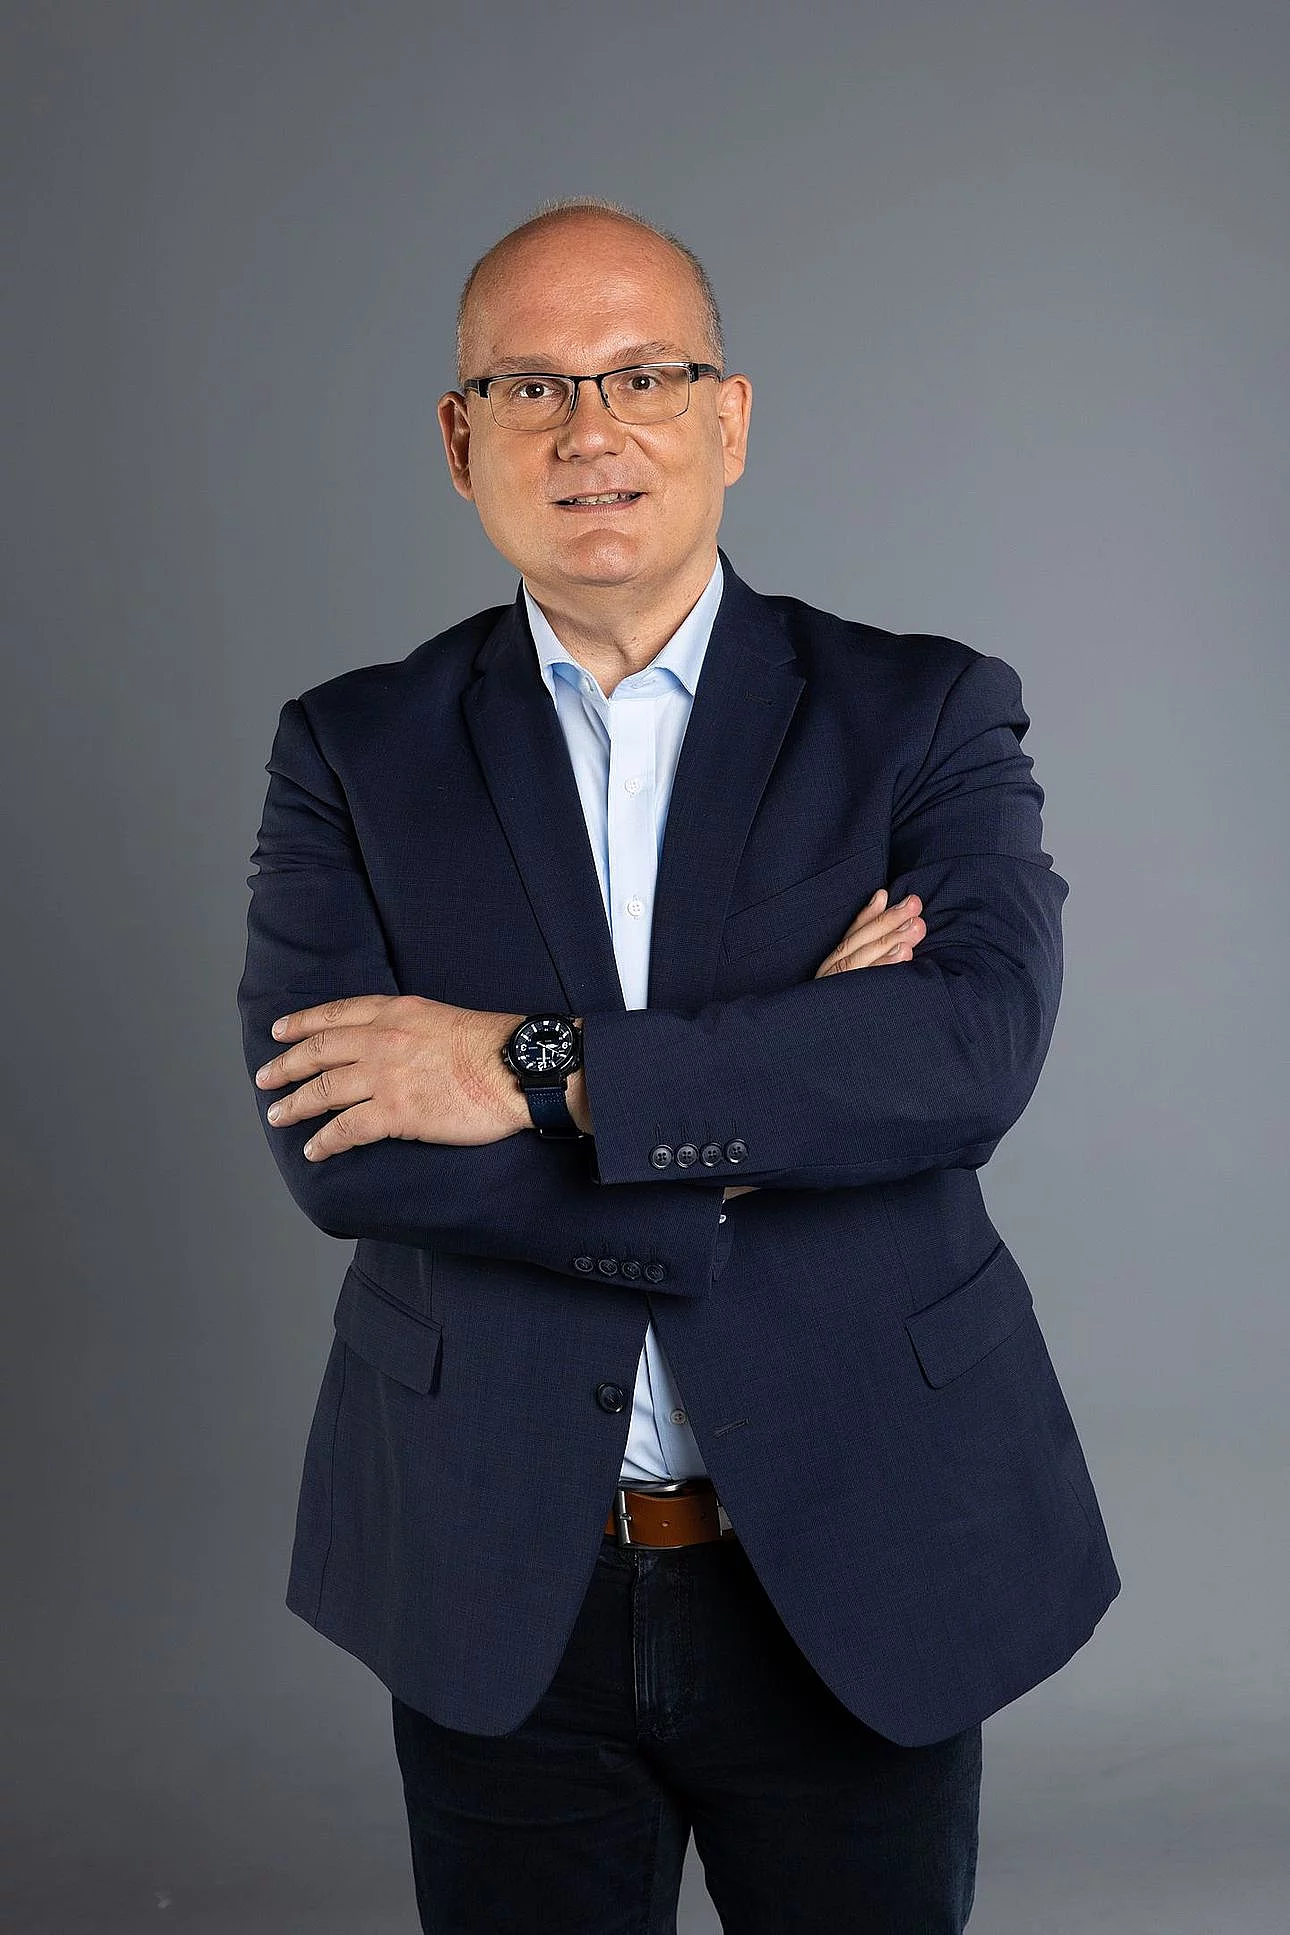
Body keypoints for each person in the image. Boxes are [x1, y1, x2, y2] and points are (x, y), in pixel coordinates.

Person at [238, 196, 1121, 1934]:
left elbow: (962, 1051)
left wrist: (526, 1065)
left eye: (644, 375)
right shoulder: (350, 748)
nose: (591, 431)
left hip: (861, 1536)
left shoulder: (921, 709)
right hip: (496, 1555)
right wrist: (774, 1091)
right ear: (460, 439)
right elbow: (342, 1145)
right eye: (532, 387)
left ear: (728, 418)